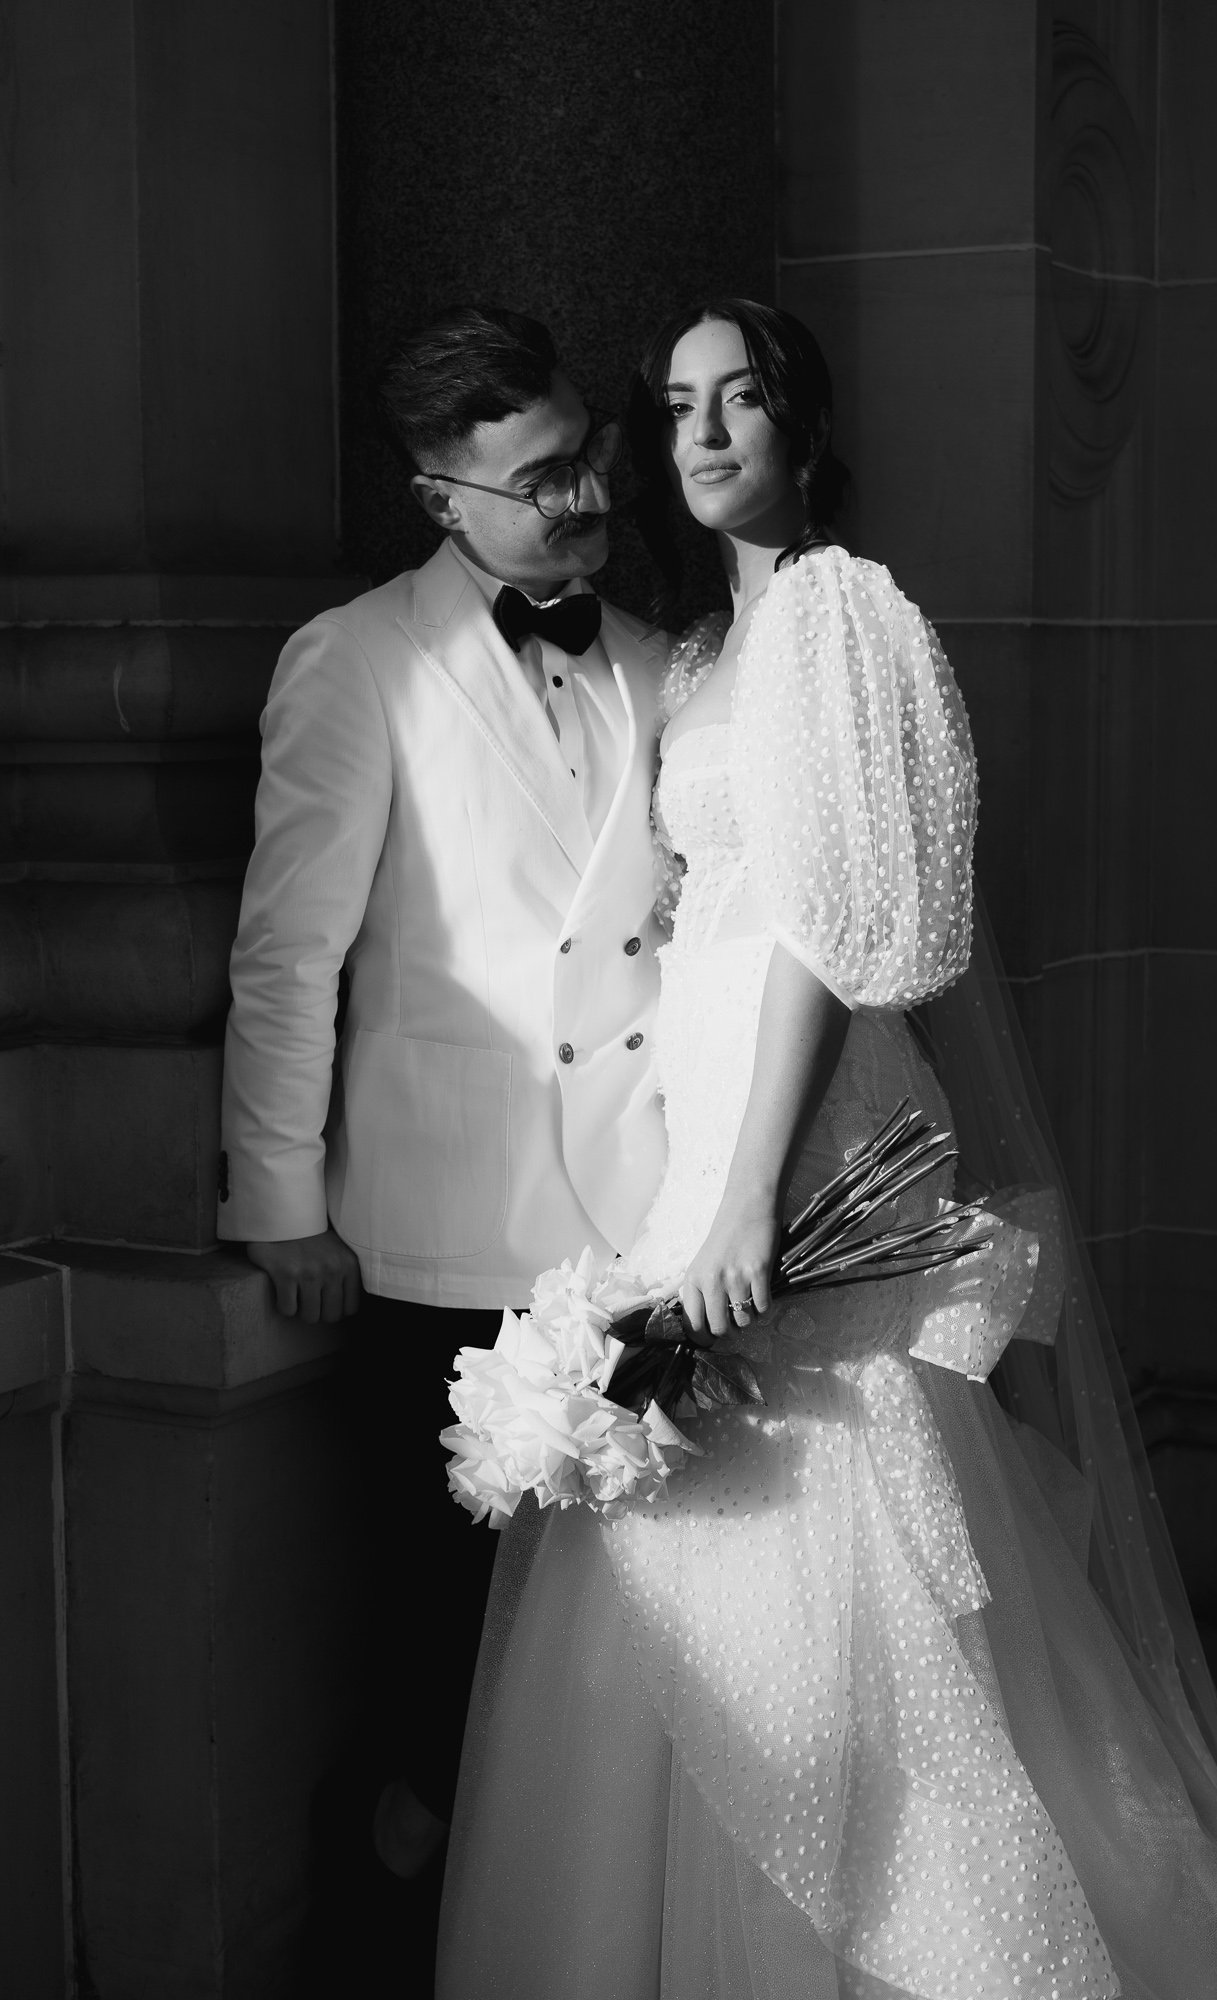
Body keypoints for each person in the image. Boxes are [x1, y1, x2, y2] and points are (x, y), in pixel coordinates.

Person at [435, 301, 1217, 1998]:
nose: (705, 434)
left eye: (740, 398)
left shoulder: (838, 613)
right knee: (696, 1510)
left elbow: (824, 929)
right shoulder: (705, 652)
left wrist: (747, 1196)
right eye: (677, 406)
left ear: (804, 422)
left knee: (836, 1492)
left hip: (797, 1115)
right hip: (708, 1112)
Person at [216, 305, 669, 1984]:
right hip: (438, 1240)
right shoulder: (355, 661)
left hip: (635, 1231)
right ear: (439, 498)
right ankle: (392, 1928)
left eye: (586, 455)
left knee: (610, 1654)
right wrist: (279, 1201)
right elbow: (291, 952)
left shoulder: (654, 659)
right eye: (539, 477)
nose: (584, 494)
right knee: (441, 1644)